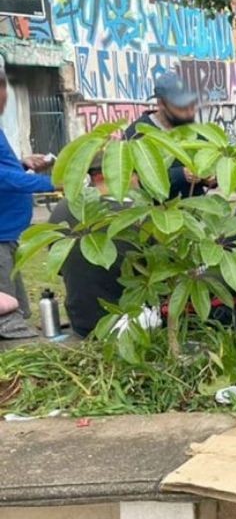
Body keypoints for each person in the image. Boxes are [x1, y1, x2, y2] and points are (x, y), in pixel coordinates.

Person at [48, 155, 134, 338]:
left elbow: (61, 267)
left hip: (82, 322)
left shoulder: (61, 208)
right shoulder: (134, 214)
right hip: (132, 323)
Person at [0, 68, 56, 338]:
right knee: (7, 319)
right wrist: (51, 183)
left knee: (19, 308)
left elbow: (7, 168)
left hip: (9, 232)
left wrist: (25, 163)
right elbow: (2, 178)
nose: (4, 97)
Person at [125, 71, 211, 199]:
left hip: (196, 211)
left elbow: (209, 166)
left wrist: (210, 178)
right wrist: (180, 175)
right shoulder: (137, 134)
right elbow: (135, 182)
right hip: (160, 213)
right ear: (161, 103)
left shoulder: (194, 130)